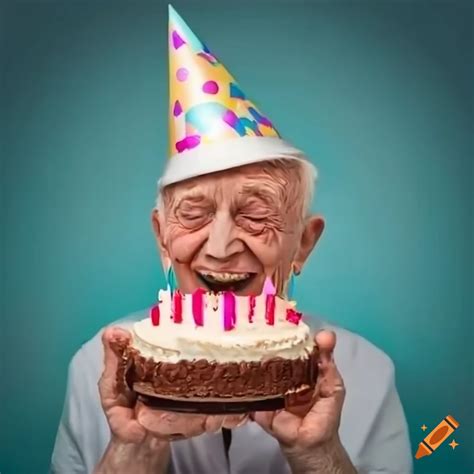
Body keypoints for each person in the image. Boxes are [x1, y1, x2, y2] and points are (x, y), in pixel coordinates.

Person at [51, 6, 412, 474]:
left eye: (256, 215)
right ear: (162, 237)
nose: (220, 247)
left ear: (304, 243)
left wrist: (316, 453)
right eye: (194, 215)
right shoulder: (99, 369)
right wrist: (135, 449)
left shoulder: (368, 373)